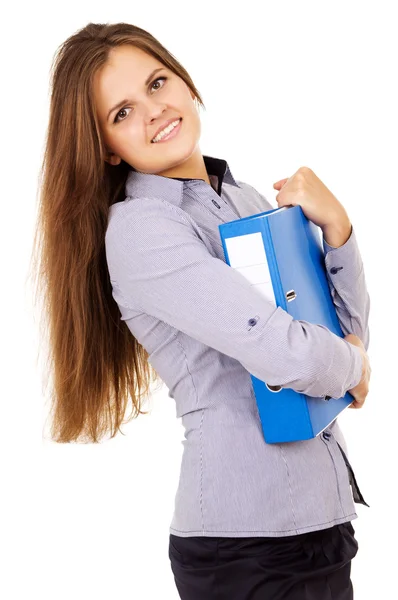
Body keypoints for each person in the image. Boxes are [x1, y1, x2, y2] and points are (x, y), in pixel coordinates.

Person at [31, 21, 371, 600]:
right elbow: (284, 351)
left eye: (158, 82)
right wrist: (354, 371)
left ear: (186, 83)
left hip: (322, 519)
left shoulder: (245, 200)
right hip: (246, 545)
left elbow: (343, 334)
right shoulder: (141, 232)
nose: (154, 110)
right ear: (108, 150)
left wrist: (338, 229)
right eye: (121, 113)